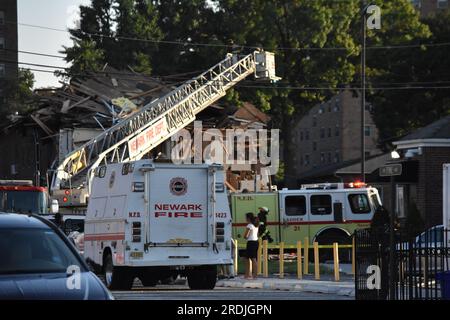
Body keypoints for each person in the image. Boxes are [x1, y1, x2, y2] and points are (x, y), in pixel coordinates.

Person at [244, 212, 259, 279]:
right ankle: (254, 275)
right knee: (253, 258)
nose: (245, 219)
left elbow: (246, 235)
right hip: (256, 242)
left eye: (246, 218)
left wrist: (245, 237)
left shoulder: (249, 225)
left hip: (251, 243)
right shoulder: (256, 225)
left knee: (249, 259)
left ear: (248, 218)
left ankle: (247, 275)